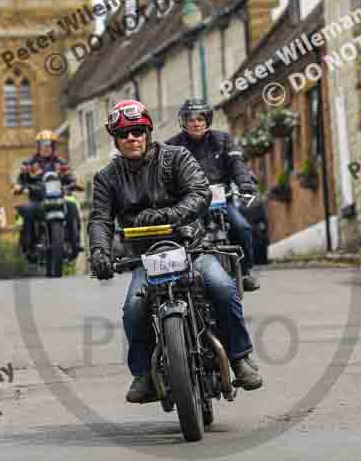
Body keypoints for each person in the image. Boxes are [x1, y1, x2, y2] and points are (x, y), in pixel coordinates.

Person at [88, 99, 263, 403]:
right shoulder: (107, 177)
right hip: (147, 257)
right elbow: (100, 219)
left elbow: (199, 192)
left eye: (137, 131)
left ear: (147, 133)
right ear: (115, 139)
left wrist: (167, 215)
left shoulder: (176, 157)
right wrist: (99, 251)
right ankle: (143, 374)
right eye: (124, 133)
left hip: (191, 248)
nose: (131, 138)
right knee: (134, 307)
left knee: (222, 287)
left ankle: (239, 358)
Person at [165, 99, 260, 291]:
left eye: (200, 119)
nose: (196, 123)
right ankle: (182, 276)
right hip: (192, 205)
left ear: (207, 120)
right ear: (184, 122)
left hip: (223, 201)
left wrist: (244, 183)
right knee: (183, 236)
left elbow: (237, 163)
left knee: (242, 228)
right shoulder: (172, 146)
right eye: (191, 119)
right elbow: (164, 174)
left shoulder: (223, 140)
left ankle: (245, 272)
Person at [13, 130, 82, 261]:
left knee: (72, 206)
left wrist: (74, 184)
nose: (46, 148)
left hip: (59, 200)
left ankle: (74, 243)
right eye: (43, 145)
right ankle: (29, 246)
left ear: (53, 147)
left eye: (49, 145)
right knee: (26, 210)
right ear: (38, 146)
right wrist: (19, 187)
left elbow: (70, 178)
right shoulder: (28, 164)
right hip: (38, 201)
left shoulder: (61, 163)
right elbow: (20, 180)